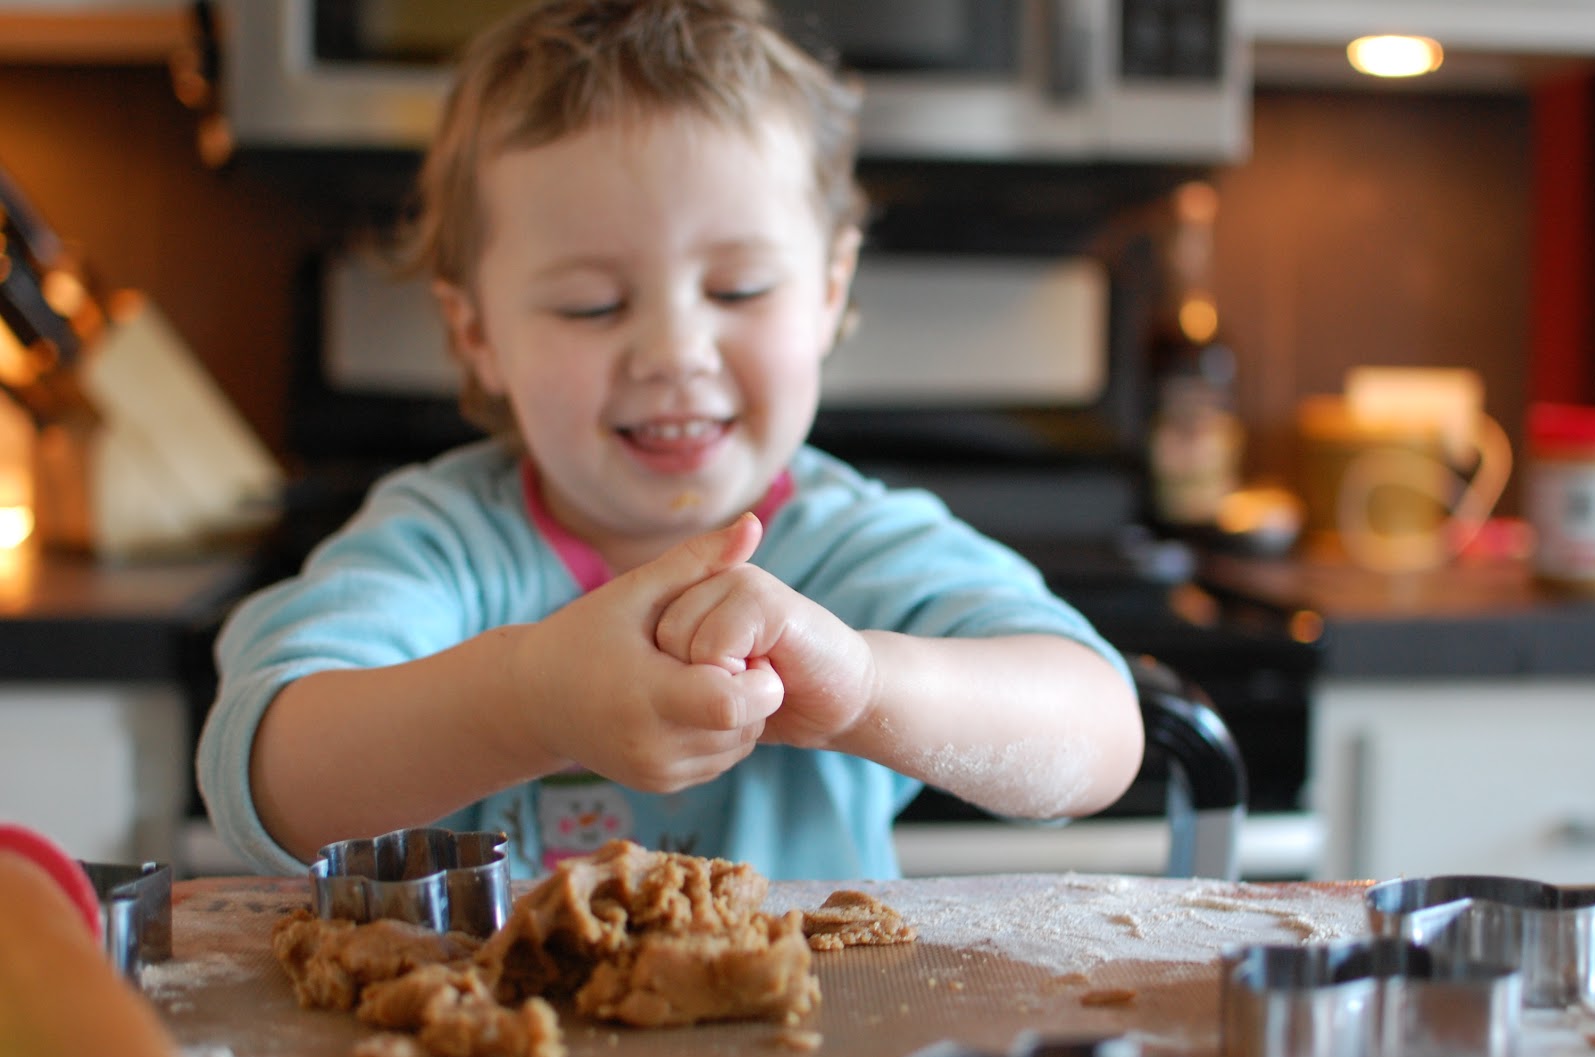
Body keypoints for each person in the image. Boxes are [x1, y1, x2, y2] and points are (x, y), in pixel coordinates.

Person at [197, 0, 1142, 881]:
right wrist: (528, 702)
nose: (675, 352)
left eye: (738, 291)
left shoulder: (851, 548)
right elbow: (265, 778)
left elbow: (1099, 736)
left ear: (827, 294)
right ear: (478, 332)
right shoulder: (439, 548)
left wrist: (862, 690)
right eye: (592, 303)